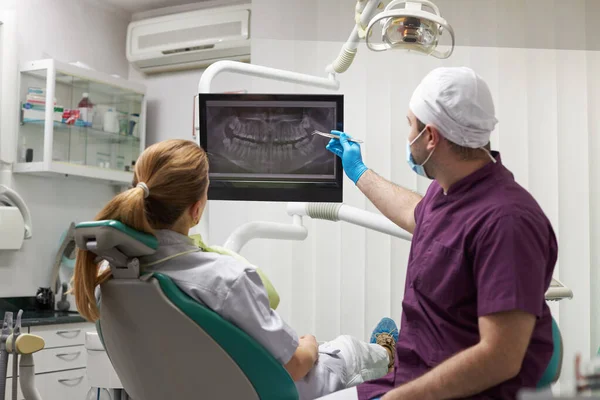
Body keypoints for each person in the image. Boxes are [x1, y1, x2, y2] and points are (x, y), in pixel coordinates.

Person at [72, 139, 398, 400]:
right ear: (196, 209)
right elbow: (296, 366)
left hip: (193, 387)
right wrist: (310, 345)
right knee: (345, 350)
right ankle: (391, 354)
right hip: (278, 390)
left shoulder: (111, 280)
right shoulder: (224, 277)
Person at [323, 67, 558, 400]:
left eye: (410, 126)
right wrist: (360, 172)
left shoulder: (508, 222)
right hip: (412, 375)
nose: (408, 138)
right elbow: (417, 214)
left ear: (431, 137)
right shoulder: (449, 190)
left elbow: (500, 357)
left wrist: (400, 399)